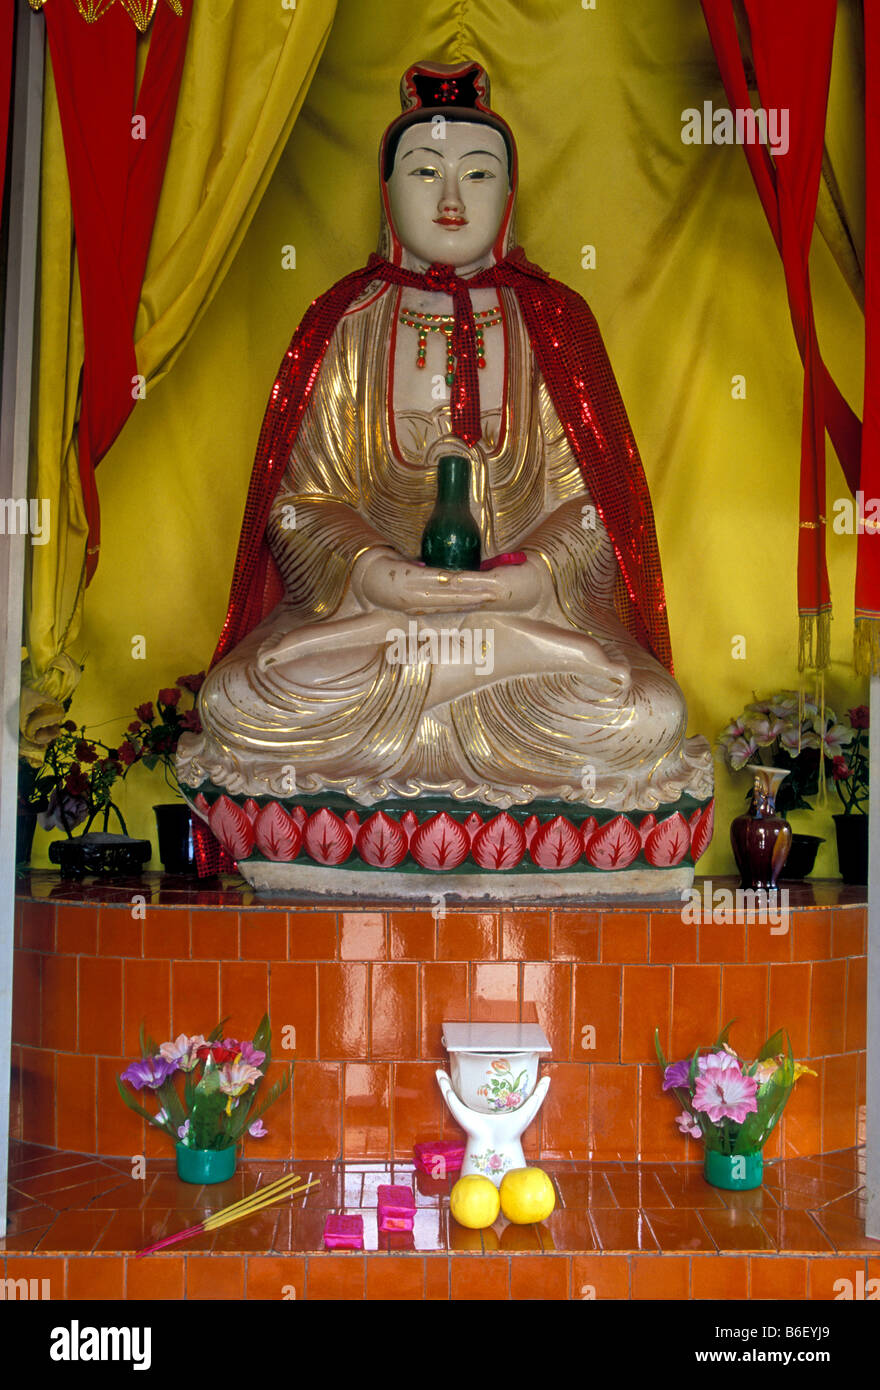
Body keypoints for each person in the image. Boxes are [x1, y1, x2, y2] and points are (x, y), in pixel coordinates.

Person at [176, 60, 711, 818]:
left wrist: (525, 581)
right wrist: (374, 573)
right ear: (388, 191)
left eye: (479, 174)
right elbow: (297, 507)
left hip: (518, 613)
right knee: (241, 699)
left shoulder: (553, 324)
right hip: (380, 617)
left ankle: (480, 658)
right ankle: (462, 662)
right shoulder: (346, 324)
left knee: (648, 711)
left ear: (509, 192)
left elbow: (595, 508)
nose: (452, 199)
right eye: (426, 172)